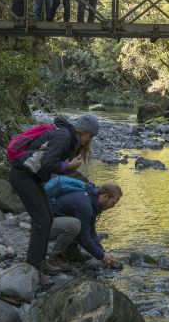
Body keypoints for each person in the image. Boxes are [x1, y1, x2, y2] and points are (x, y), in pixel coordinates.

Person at [8, 113, 100, 270]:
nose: (89, 140)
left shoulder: (68, 139)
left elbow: (53, 166)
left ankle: (40, 263)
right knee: (42, 221)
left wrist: (68, 167)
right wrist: (69, 166)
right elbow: (47, 163)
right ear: (83, 131)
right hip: (22, 176)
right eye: (89, 136)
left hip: (32, 177)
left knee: (48, 218)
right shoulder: (63, 136)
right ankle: (34, 267)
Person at [46, 181, 123, 271]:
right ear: (105, 196)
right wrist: (101, 256)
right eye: (113, 202)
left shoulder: (93, 201)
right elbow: (84, 237)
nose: (113, 206)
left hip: (56, 222)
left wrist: (102, 252)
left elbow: (91, 231)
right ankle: (54, 257)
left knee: (79, 224)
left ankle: (71, 251)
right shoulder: (85, 206)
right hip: (44, 226)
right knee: (75, 225)